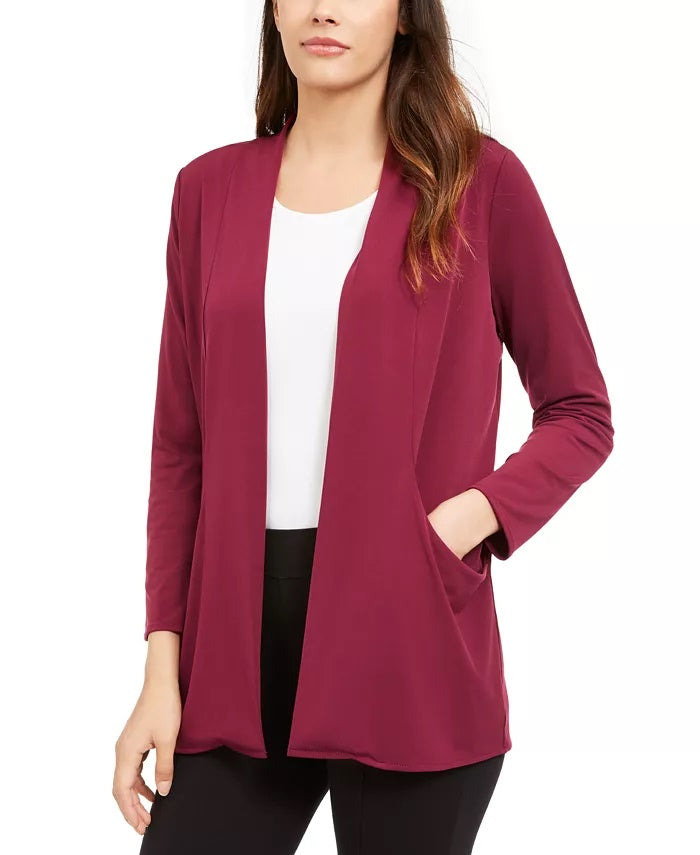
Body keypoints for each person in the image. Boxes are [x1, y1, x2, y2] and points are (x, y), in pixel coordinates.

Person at [113, 1, 614, 852]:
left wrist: (457, 524)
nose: (325, 7)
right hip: (232, 657)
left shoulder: (480, 184)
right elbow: (180, 449)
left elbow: (580, 410)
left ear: (407, 16)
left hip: (408, 640)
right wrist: (161, 670)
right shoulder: (206, 192)